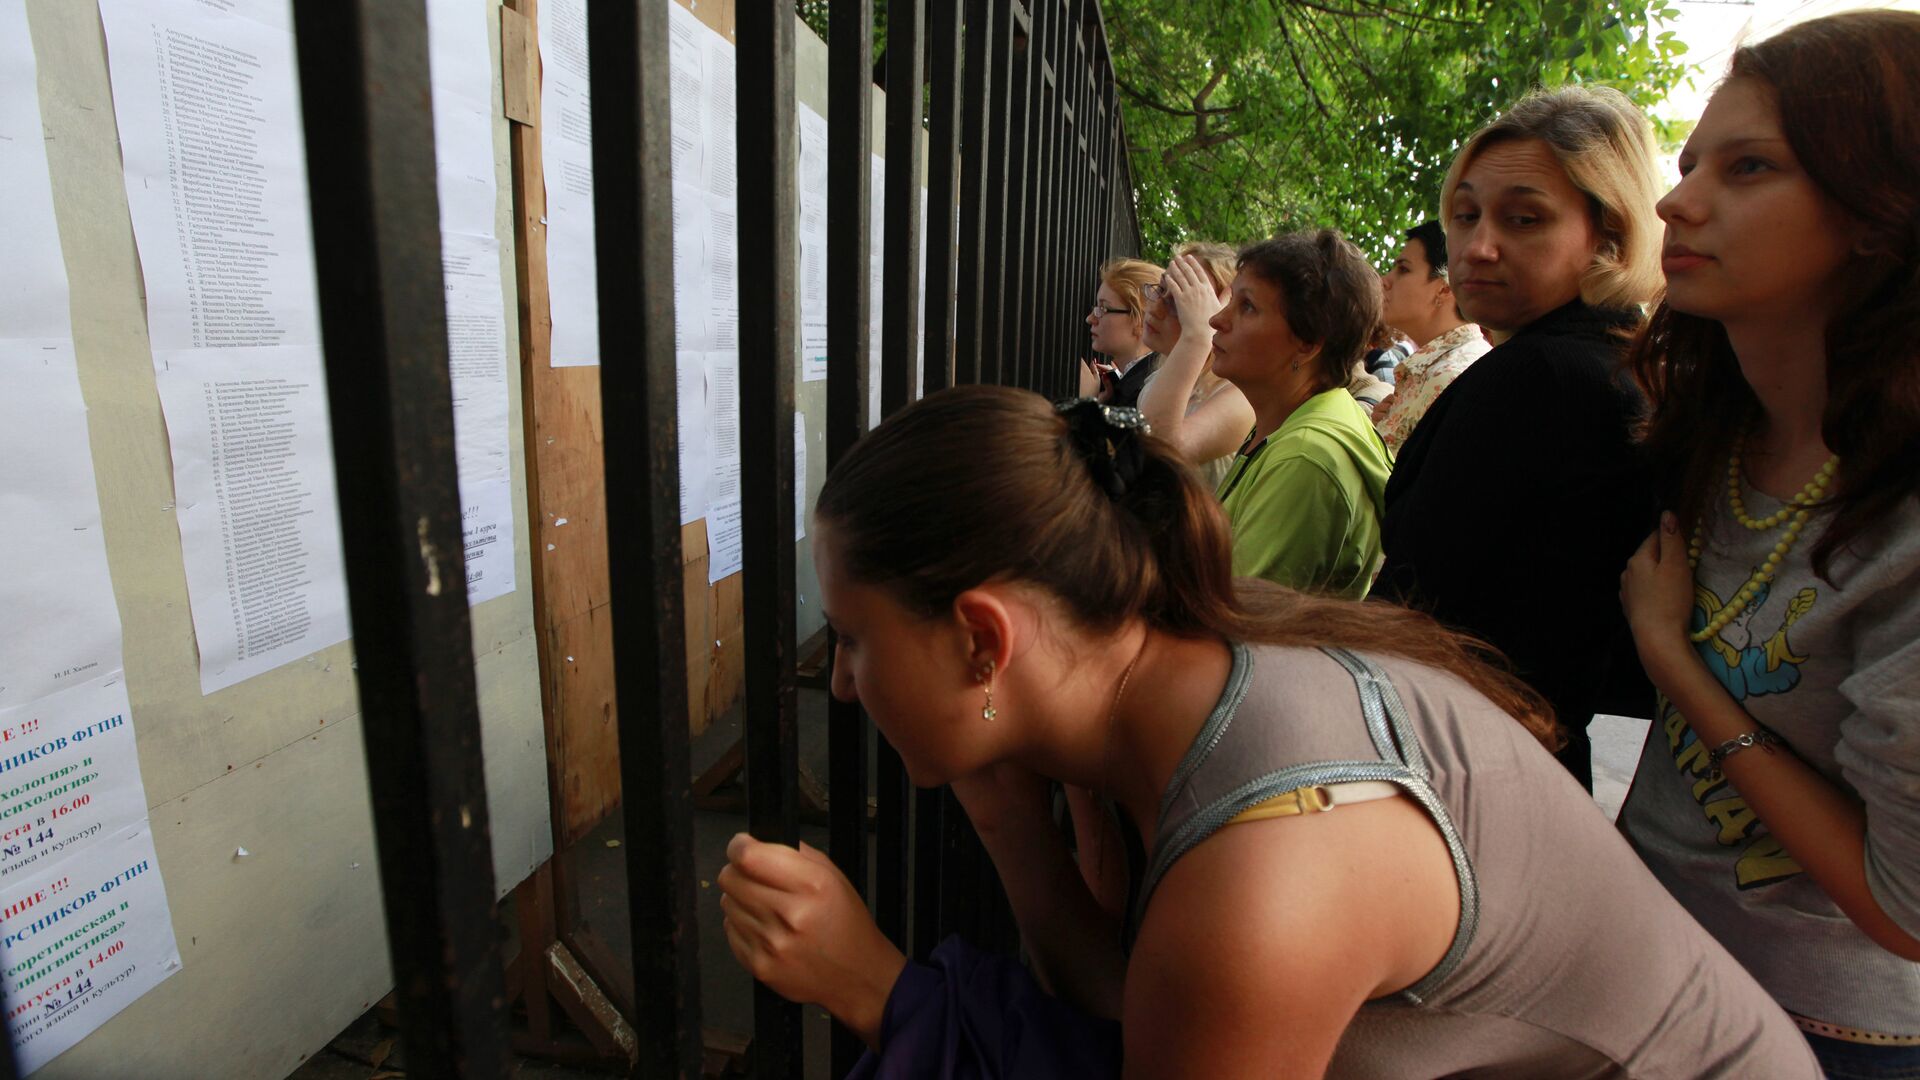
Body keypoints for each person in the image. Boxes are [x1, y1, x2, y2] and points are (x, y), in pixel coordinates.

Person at [717, 385, 1816, 1078]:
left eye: (855, 638)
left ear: (982, 643)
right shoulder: (1179, 688)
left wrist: (878, 995)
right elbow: (1146, 1008)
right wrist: (1009, 815)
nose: (847, 686)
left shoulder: (1275, 853)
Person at [1616, 12, 1920, 1075]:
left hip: (1823, 1029)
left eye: (1749, 167)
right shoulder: (1712, 434)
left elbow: (1905, 910)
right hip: (1641, 964)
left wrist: (1673, 661)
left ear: (1884, 206)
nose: (1675, 198)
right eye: (1690, 162)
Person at [1370, 86, 1663, 791]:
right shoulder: (1608, 364)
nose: (1478, 247)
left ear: (1612, 233)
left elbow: (1411, 614)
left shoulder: (1542, 378)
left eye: (1524, 219)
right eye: (1465, 216)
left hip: (1456, 767)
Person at [1207, 230, 1393, 599]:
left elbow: (1234, 625)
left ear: (1308, 343)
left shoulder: (1306, 457)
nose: (1216, 319)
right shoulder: (1291, 418)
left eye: (1247, 307)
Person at [1134, 242, 1255, 491]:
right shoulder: (1163, 374)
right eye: (1161, 289)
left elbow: (1159, 449)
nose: (1154, 308)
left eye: (1180, 304)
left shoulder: (1241, 396)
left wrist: (1199, 334)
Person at [1372, 220, 1491, 455]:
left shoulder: (1451, 377)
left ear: (1445, 288)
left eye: (1403, 269)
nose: (1385, 280)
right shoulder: (1432, 369)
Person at [1081, 257, 1162, 407]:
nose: (1090, 318)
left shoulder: (1143, 392)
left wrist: (1087, 404)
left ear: (1141, 319)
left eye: (1103, 308)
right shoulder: (1143, 379)